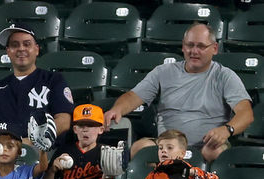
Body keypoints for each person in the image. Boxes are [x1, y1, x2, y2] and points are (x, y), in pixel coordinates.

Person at [103, 22, 253, 163]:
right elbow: (133, 96)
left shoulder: (225, 76)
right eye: (190, 45)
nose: (194, 51)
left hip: (206, 145)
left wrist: (227, 130)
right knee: (139, 148)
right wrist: (117, 109)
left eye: (201, 46)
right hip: (166, 145)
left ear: (214, 48)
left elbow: (246, 114)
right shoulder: (163, 72)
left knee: (214, 151)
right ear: (183, 47)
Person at [0, 22, 73, 150]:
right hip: (5, 153)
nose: (21, 49)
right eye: (14, 45)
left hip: (45, 152)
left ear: (37, 49)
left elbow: (64, 121)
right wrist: (1, 147)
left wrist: (32, 142)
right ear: (8, 52)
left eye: (27, 44)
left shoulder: (54, 80)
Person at [42, 103, 113, 179]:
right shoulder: (64, 150)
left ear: (101, 129)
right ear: (75, 129)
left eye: (90, 125)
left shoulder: (106, 152)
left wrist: (108, 175)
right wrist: (52, 171)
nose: (85, 130)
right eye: (81, 125)